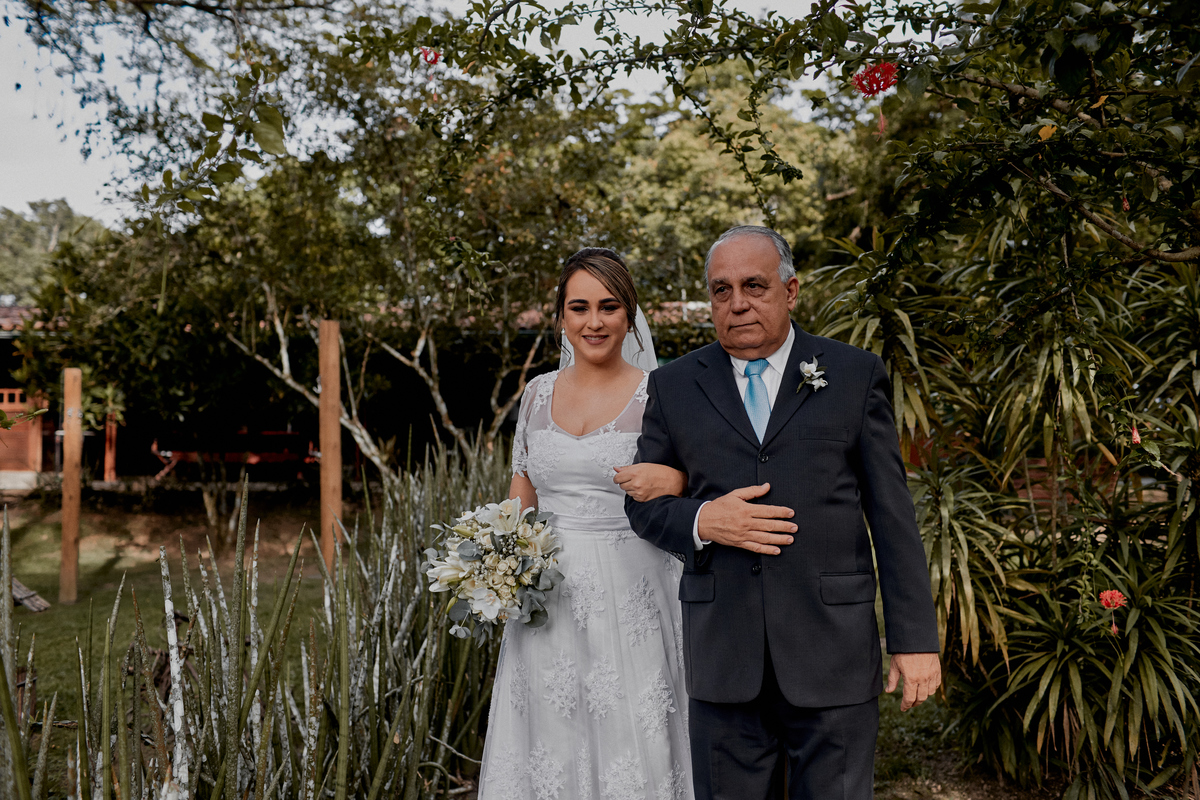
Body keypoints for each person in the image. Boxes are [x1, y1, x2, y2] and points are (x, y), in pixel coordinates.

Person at [624, 226, 942, 800]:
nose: (737, 303)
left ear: (791, 291)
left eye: (754, 285)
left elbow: (891, 515)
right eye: (721, 291)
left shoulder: (852, 374)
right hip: (723, 659)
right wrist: (702, 521)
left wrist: (915, 638)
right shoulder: (671, 386)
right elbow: (644, 505)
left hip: (832, 653)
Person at [477, 248, 695, 800]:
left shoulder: (661, 395)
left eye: (608, 306)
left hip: (633, 585)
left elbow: (697, 478)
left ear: (629, 316)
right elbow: (520, 494)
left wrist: (674, 482)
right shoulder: (535, 395)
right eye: (579, 307)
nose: (593, 322)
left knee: (628, 721)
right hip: (546, 592)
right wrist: (494, 566)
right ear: (561, 318)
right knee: (551, 727)